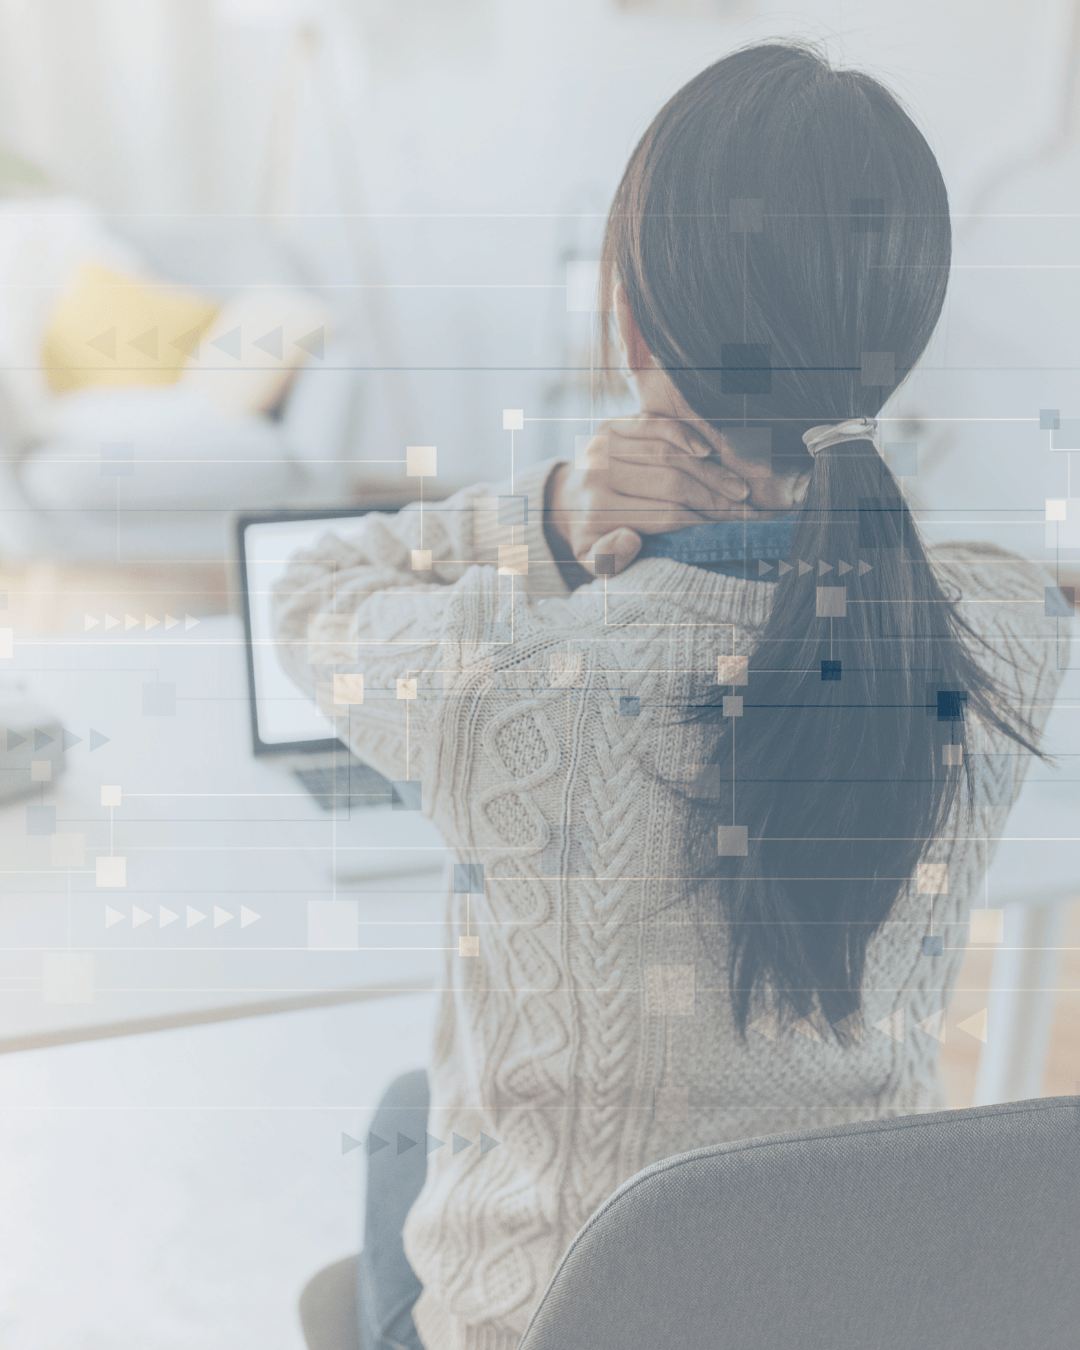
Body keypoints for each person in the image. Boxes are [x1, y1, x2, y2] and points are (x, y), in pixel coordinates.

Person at [278, 41, 1066, 1350]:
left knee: (405, 1124)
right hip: (855, 1306)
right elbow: (993, 569)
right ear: (899, 343)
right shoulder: (1006, 630)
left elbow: (314, 587)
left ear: (636, 332)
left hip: (548, 1321)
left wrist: (551, 510)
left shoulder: (501, 680)